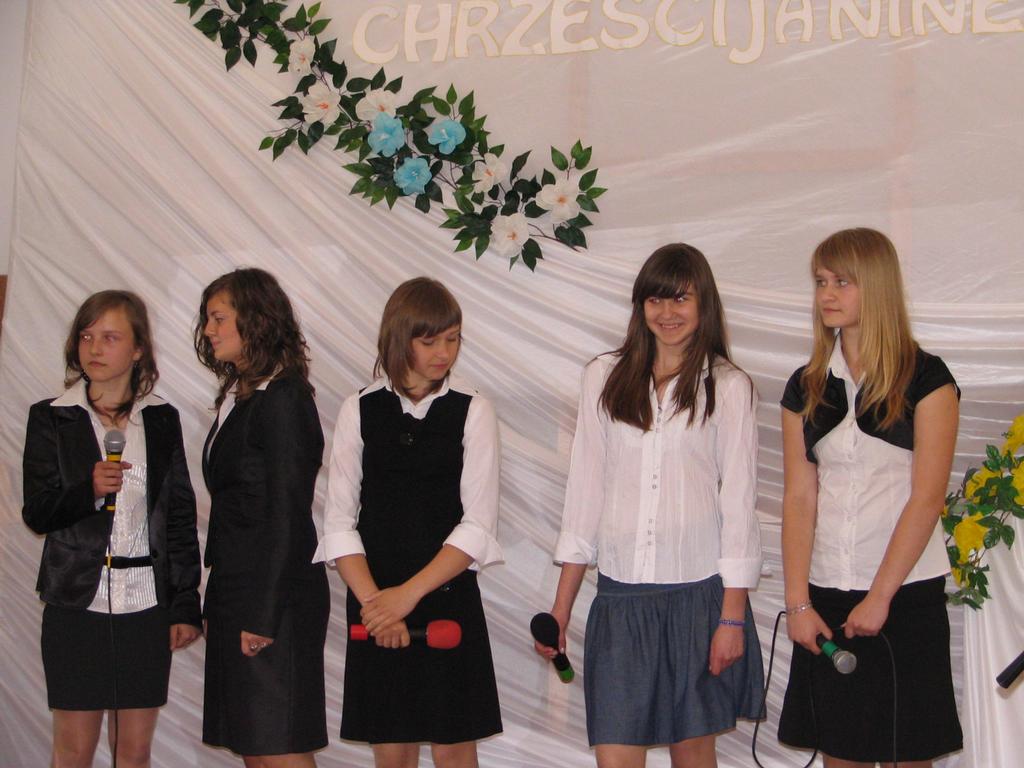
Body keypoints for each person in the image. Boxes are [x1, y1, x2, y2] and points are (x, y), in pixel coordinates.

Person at [538, 244, 765, 768]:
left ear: (704, 303)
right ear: (640, 305)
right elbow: (584, 494)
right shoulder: (603, 375)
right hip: (621, 601)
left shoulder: (729, 386)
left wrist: (732, 619)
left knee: (693, 755)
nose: (667, 312)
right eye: (655, 299)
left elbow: (739, 504)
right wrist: (560, 609)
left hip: (699, 601)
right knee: (615, 754)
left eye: (680, 298)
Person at [777, 228, 963, 767]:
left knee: (909, 756)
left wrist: (881, 597)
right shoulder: (806, 386)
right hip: (829, 594)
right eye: (820, 282)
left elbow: (927, 498)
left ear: (876, 286)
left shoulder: (928, 379)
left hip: (905, 595)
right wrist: (799, 603)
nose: (827, 294)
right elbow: (799, 498)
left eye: (842, 282)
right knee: (841, 756)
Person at [314, 276, 502, 768]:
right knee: (392, 751)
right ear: (400, 338)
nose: (444, 352)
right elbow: (338, 524)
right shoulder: (359, 408)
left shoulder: (473, 409)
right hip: (374, 598)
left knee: (454, 750)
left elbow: (477, 525)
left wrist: (407, 596)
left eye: (453, 339)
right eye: (430, 341)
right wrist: (378, 605)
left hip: (446, 594)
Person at [22, 290, 202, 768]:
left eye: (109, 337)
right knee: (73, 751)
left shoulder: (160, 418)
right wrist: (88, 490)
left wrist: (185, 604)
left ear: (138, 349)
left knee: (134, 752)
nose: (94, 348)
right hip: (75, 604)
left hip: (146, 606)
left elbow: (178, 517)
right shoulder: (51, 417)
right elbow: (37, 512)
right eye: (86, 337)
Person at [195, 268, 329, 767]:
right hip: (240, 588)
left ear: (256, 319)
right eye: (208, 319)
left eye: (219, 318)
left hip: (274, 597)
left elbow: (287, 514)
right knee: (255, 746)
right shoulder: (244, 393)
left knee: (276, 746)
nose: (209, 330)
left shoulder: (284, 397)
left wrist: (263, 613)